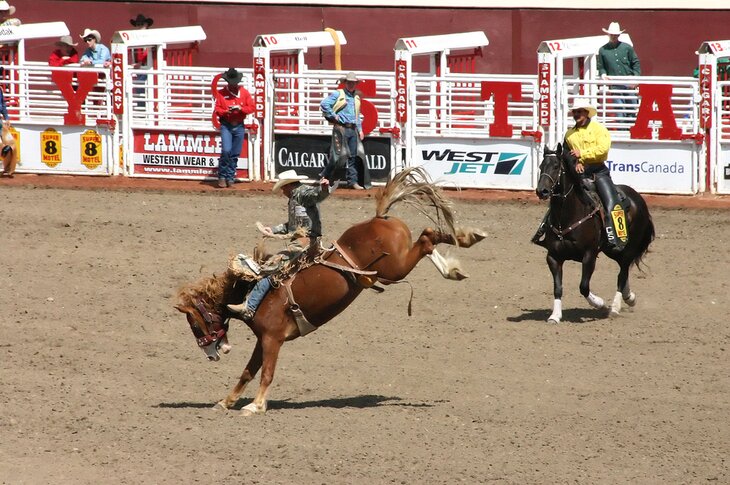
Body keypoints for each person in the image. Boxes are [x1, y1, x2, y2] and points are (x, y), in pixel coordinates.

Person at [226, 169, 332, 323]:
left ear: (289, 186)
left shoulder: (302, 193)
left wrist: (323, 189)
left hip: (304, 243)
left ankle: (250, 307)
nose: (282, 191)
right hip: (305, 241)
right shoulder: (296, 197)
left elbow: (316, 195)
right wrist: (273, 229)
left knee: (271, 267)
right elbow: (293, 225)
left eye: (283, 188)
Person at [532, 98, 626, 251]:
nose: (576, 114)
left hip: (598, 172)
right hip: (579, 173)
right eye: (575, 112)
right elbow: (568, 156)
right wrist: (576, 163)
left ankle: (616, 238)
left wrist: (582, 154)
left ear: (587, 113)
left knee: (611, 204)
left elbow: (603, 150)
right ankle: (543, 231)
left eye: (579, 111)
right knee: (560, 200)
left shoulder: (599, 129)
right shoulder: (569, 134)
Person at [319, 71, 369, 190]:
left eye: (353, 83)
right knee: (336, 156)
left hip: (352, 128)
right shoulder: (338, 94)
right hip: (340, 128)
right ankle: (325, 177)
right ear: (345, 83)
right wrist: (333, 115)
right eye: (349, 82)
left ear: (355, 84)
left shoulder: (356, 97)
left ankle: (352, 181)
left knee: (353, 155)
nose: (351, 84)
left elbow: (356, 116)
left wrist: (360, 130)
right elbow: (324, 104)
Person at [213, 68, 254, 188]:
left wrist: (241, 109)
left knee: (235, 153)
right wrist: (227, 111)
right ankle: (222, 176)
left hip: (239, 124)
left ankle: (230, 177)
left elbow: (252, 107)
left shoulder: (244, 93)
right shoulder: (221, 93)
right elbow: (218, 110)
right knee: (226, 150)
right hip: (227, 124)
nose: (233, 84)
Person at [597, 22, 641, 120]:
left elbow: (635, 62)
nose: (614, 37)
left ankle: (630, 128)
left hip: (628, 81)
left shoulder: (627, 47)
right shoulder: (603, 50)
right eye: (612, 35)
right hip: (614, 83)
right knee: (619, 109)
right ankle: (622, 128)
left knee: (631, 108)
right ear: (608, 35)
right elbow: (601, 66)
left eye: (616, 35)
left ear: (619, 35)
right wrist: (603, 74)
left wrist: (635, 77)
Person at [129, 14, 153, 108]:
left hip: (148, 68)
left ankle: (144, 110)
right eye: (137, 24)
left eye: (141, 24)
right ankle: (142, 110)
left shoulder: (150, 36)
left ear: (146, 25)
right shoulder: (135, 38)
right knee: (139, 88)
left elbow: (148, 51)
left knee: (141, 87)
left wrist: (141, 63)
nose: (139, 26)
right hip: (139, 68)